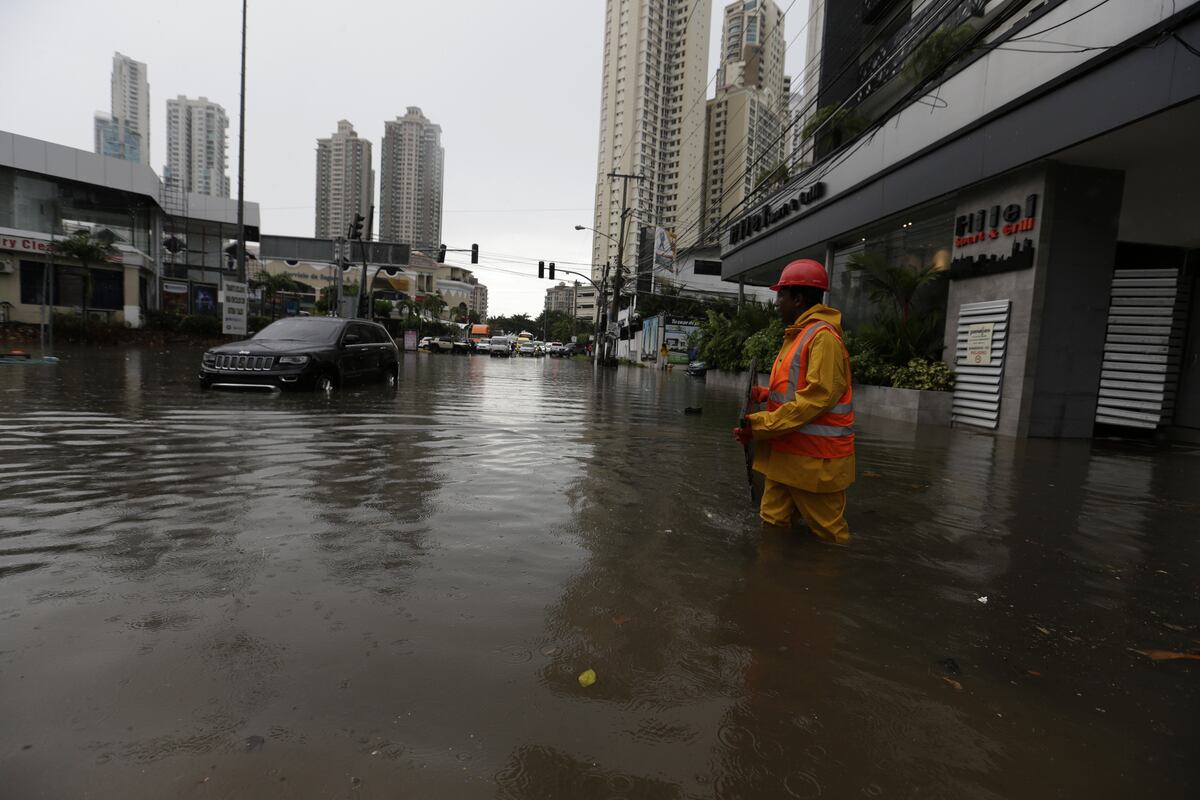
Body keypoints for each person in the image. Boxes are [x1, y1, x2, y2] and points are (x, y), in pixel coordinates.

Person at [733, 259, 855, 545]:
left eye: (781, 295)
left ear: (798, 299)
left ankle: (829, 586)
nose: (776, 303)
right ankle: (776, 584)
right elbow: (794, 390)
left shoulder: (822, 338)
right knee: (772, 527)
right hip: (785, 456)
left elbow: (816, 399)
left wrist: (758, 424)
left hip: (815, 462)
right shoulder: (799, 335)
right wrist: (764, 395)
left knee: (830, 538)